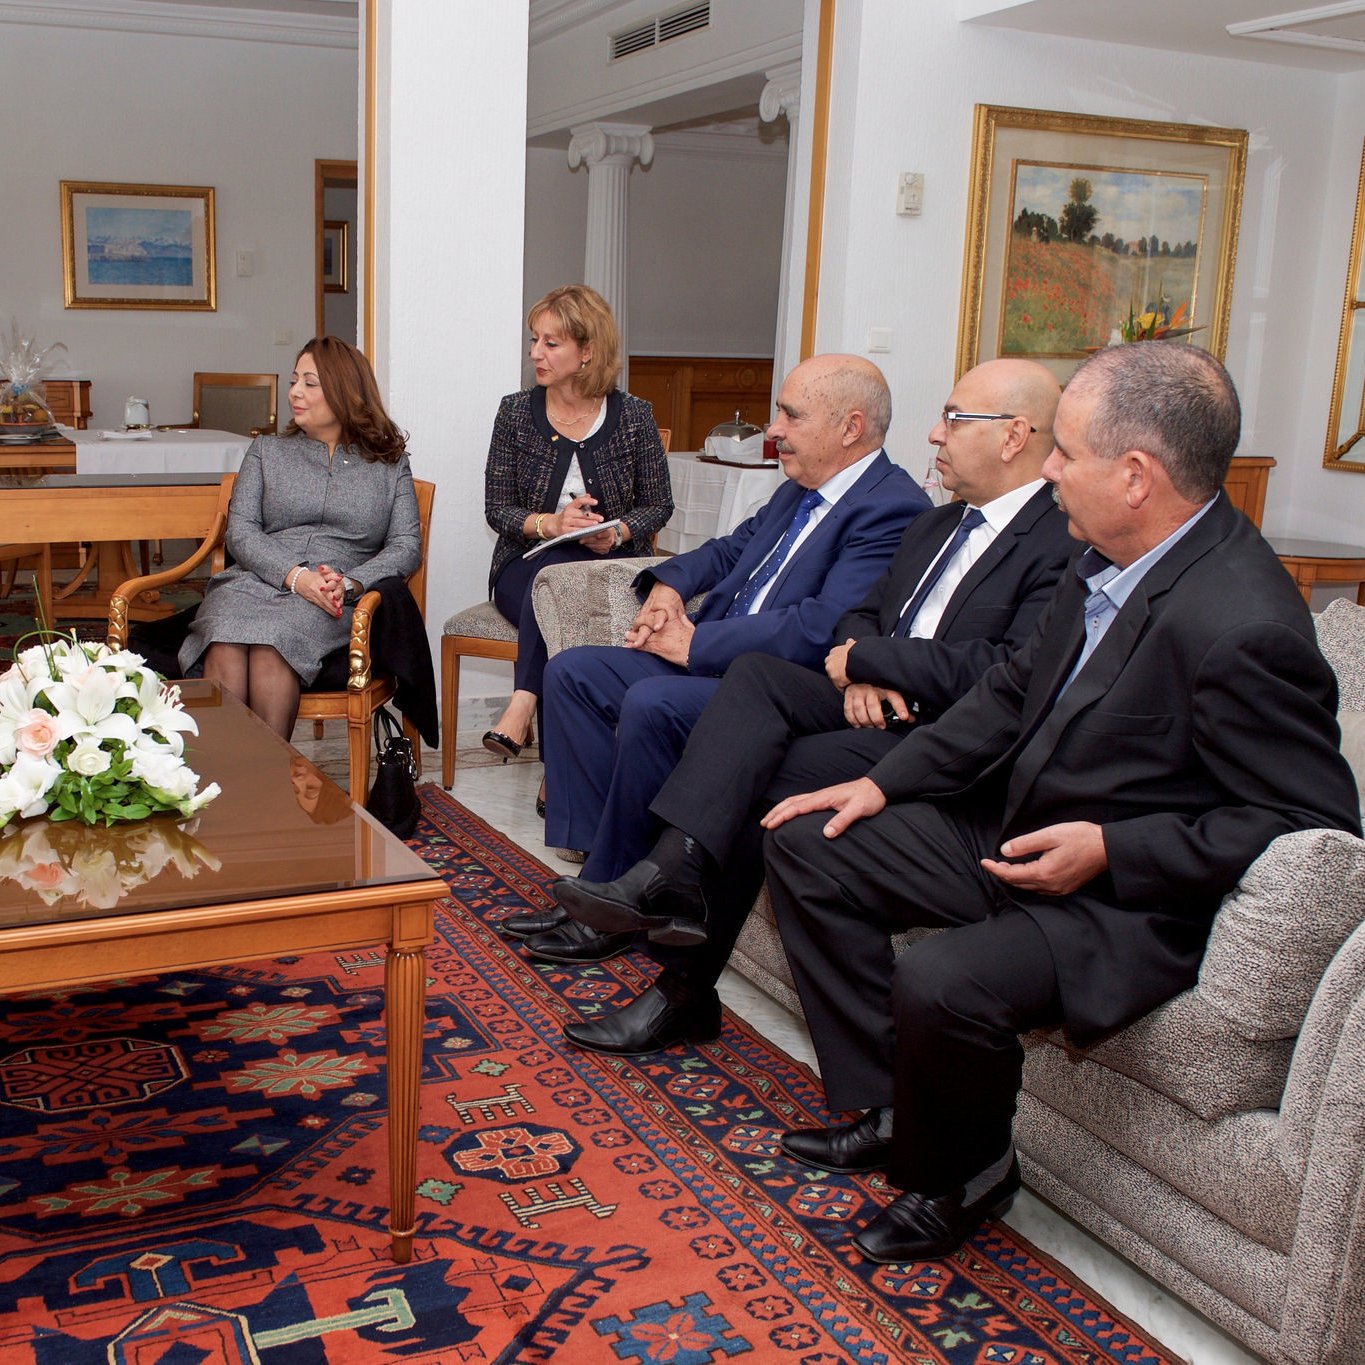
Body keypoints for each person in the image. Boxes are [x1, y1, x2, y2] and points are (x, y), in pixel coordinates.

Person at [742, 342, 1360, 1265]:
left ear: (1137, 475)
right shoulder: (1102, 551)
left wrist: (1113, 848)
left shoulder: (1246, 625)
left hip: (1118, 898)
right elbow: (1010, 692)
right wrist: (882, 781)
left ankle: (967, 1172)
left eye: (1065, 453)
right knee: (813, 837)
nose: (1051, 470)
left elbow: (1310, 826)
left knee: (940, 979)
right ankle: (889, 1105)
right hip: (1017, 831)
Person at [549, 358, 1074, 1052]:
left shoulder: (1058, 542)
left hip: (946, 735)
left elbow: (999, 669)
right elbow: (859, 612)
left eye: (952, 418)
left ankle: (678, 964)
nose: (932, 434)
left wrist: (865, 659)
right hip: (867, 704)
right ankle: (665, 879)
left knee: (755, 772)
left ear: (1013, 436)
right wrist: (857, 662)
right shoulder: (941, 523)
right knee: (757, 682)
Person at [504, 354, 931, 957]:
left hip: (773, 684)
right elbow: (728, 551)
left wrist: (697, 644)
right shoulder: (799, 489)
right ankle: (598, 876)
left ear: (850, 427)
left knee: (650, 700)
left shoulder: (892, 508)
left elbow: (820, 628)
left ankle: (613, 905)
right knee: (572, 673)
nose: (773, 428)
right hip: (712, 652)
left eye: (790, 414)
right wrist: (668, 586)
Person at [481, 284, 674, 812]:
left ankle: (524, 707)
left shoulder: (633, 416)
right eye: (534, 341)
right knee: (558, 587)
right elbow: (497, 508)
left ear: (587, 351)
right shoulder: (516, 413)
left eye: (551, 343)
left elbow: (659, 505)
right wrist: (551, 524)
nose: (536, 353)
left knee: (571, 590)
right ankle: (556, 769)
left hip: (612, 566)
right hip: (526, 568)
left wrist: (615, 533)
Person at [180, 337, 421, 740]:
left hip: (332, 595)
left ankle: (268, 790)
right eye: (295, 380)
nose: (294, 392)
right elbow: (240, 530)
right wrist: (294, 576)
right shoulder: (267, 451)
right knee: (223, 636)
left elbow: (405, 545)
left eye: (310, 383)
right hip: (255, 580)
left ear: (345, 391)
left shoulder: (388, 464)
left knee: (274, 644)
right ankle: (228, 788)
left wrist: (347, 583)